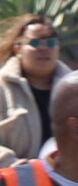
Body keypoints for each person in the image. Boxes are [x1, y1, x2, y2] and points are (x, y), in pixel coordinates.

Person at [0, 14, 65, 163]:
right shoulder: (2, 88)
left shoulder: (77, 90)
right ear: (17, 49)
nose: (43, 48)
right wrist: (17, 166)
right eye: (35, 43)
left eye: (51, 43)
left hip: (65, 177)